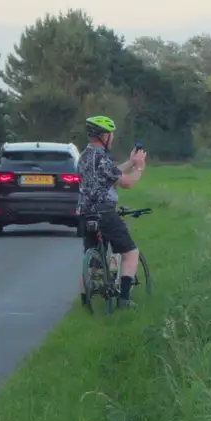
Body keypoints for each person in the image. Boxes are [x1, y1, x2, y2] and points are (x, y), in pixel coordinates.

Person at [77, 115, 147, 306]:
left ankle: (85, 300)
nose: (113, 137)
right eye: (111, 134)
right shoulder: (102, 157)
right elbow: (126, 183)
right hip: (104, 212)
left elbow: (111, 172)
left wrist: (130, 162)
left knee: (92, 258)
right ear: (104, 136)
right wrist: (139, 169)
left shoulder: (84, 156)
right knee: (130, 253)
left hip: (85, 212)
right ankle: (124, 299)